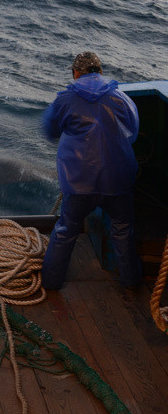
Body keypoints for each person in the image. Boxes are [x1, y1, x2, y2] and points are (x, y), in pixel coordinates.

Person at [41, 51, 141, 291]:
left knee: (66, 230)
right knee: (122, 229)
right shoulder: (120, 96)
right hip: (118, 180)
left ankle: (51, 283)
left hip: (79, 183)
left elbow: (50, 131)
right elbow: (133, 131)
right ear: (101, 72)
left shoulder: (64, 99)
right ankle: (131, 283)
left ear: (75, 73)